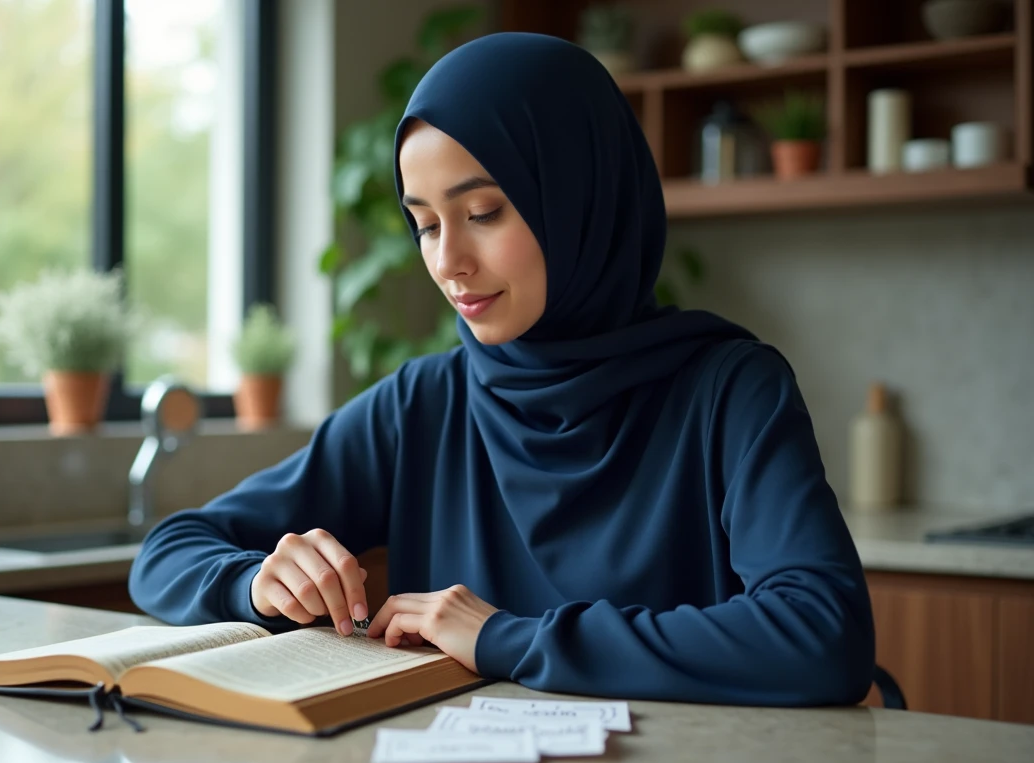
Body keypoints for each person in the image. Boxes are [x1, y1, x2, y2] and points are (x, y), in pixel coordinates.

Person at [128, 32, 875, 706]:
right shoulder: (424, 403)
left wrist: (503, 638)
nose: (447, 262)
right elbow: (167, 553)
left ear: (577, 198)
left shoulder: (731, 390)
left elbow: (822, 636)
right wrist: (253, 580)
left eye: (482, 211)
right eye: (423, 224)